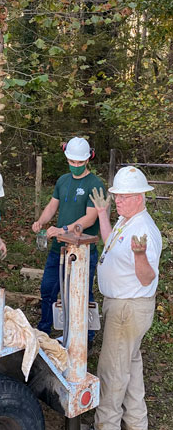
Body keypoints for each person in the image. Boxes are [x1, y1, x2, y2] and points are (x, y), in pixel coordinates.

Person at [90, 166, 162, 430]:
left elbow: (146, 278)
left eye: (122, 196)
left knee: (112, 373)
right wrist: (101, 214)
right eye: (116, 195)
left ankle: (105, 425)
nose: (116, 200)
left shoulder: (144, 229)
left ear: (139, 197)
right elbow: (110, 243)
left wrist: (141, 256)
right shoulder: (126, 220)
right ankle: (136, 422)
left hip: (128, 309)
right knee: (130, 368)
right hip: (123, 307)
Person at [32, 137, 105, 346]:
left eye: (79, 163)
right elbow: (52, 206)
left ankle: (86, 337)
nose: (75, 166)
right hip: (59, 248)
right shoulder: (63, 180)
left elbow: (91, 217)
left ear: (88, 159)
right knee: (48, 288)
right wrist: (41, 221)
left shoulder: (95, 184)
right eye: (72, 162)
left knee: (82, 293)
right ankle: (44, 329)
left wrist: (63, 229)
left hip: (82, 250)